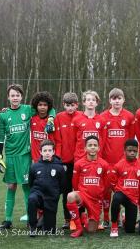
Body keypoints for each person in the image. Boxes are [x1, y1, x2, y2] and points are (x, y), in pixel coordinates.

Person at [0, 84, 55, 229]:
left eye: (17, 95)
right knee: (11, 186)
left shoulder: (28, 110)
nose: (15, 98)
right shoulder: (3, 115)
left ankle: (31, 218)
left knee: (26, 186)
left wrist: (51, 119)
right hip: (10, 155)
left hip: (24, 155)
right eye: (12, 95)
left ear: (21, 97)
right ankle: (8, 220)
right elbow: (0, 137)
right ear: (8, 97)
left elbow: (50, 108)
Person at [100, 88, 135, 229]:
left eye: (119, 98)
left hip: (123, 162)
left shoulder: (129, 116)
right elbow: (101, 140)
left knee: (124, 190)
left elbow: (131, 139)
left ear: (123, 100)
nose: (116, 101)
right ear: (110, 100)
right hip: (107, 161)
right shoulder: (103, 117)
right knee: (107, 191)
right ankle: (107, 218)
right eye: (114, 98)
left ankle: (121, 217)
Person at [66, 135, 110, 238]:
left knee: (91, 231)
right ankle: (79, 228)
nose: (93, 147)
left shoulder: (104, 164)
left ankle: (85, 218)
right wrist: (78, 192)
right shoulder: (79, 163)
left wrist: (100, 196)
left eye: (95, 145)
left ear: (99, 148)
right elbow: (75, 181)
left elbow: (106, 183)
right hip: (83, 195)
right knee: (70, 196)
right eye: (90, 145)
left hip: (96, 200)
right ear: (85, 148)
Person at [54, 92, 82, 229]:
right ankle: (67, 219)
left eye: (72, 105)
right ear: (63, 105)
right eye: (67, 105)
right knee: (65, 191)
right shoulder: (59, 117)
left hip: (80, 161)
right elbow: (57, 140)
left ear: (77, 105)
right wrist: (58, 158)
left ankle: (81, 217)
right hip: (64, 161)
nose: (70, 108)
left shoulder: (82, 116)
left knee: (79, 190)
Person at [28, 140, 65, 237]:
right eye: (45, 151)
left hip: (51, 198)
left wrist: (55, 194)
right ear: (40, 152)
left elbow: (62, 185)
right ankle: (32, 226)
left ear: (53, 152)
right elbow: (30, 183)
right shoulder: (34, 166)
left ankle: (44, 221)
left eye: (49, 150)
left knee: (50, 232)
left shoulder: (59, 167)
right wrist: (35, 192)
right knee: (32, 199)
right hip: (38, 195)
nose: (47, 153)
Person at [109, 139, 140, 237]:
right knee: (116, 198)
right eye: (130, 151)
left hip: (133, 199)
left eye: (134, 151)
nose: (132, 153)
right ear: (124, 151)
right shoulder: (118, 165)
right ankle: (114, 225)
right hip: (122, 194)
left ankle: (125, 218)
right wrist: (117, 191)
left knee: (130, 230)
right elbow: (112, 181)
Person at [72, 90, 106, 162]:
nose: (91, 102)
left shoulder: (102, 120)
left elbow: (103, 140)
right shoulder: (76, 120)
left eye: (93, 100)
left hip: (97, 158)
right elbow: (73, 140)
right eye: (88, 100)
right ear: (84, 102)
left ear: (96, 103)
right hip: (80, 158)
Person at [30, 92, 55, 163]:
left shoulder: (53, 120)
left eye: (45, 105)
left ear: (48, 106)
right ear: (36, 106)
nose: (42, 107)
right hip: (36, 159)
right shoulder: (32, 119)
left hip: (50, 158)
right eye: (40, 105)